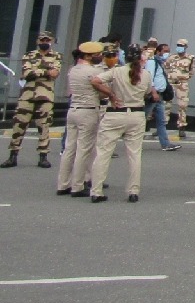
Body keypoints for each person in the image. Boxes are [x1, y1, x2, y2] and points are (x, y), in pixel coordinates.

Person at [88, 44, 157, 202]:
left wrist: (111, 94)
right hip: (137, 114)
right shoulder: (145, 75)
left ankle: (96, 190)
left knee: (103, 153)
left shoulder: (117, 71)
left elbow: (95, 81)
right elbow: (147, 92)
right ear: (140, 58)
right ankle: (133, 190)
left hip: (115, 113)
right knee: (134, 154)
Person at [2, 31, 62, 169]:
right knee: (18, 125)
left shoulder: (56, 56)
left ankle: (43, 157)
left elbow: (55, 73)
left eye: (47, 40)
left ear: (51, 41)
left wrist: (38, 71)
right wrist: (46, 71)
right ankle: (13, 155)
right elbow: (27, 73)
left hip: (45, 96)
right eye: (42, 40)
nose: (44, 42)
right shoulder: (29, 55)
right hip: (27, 96)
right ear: (38, 41)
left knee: (44, 126)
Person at [56, 44, 104, 196]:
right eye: (98, 54)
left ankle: (63, 184)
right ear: (88, 56)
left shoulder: (73, 69)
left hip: (73, 110)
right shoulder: (93, 71)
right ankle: (78, 185)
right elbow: (103, 92)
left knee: (69, 148)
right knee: (84, 149)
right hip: (88, 110)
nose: (100, 56)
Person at [143, 45, 181, 152]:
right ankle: (132, 140)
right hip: (153, 95)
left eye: (168, 51)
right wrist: (154, 92)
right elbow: (149, 77)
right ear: (158, 51)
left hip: (159, 96)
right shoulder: (152, 62)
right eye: (165, 51)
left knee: (161, 120)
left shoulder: (160, 63)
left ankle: (165, 144)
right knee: (142, 118)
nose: (166, 53)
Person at [164, 39, 195, 139]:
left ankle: (181, 127)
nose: (179, 47)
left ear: (185, 47)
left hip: (182, 84)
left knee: (182, 106)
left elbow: (191, 72)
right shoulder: (172, 57)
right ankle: (162, 125)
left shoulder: (190, 58)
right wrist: (171, 76)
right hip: (171, 83)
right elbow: (166, 67)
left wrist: (183, 78)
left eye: (181, 45)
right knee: (166, 104)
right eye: (178, 45)